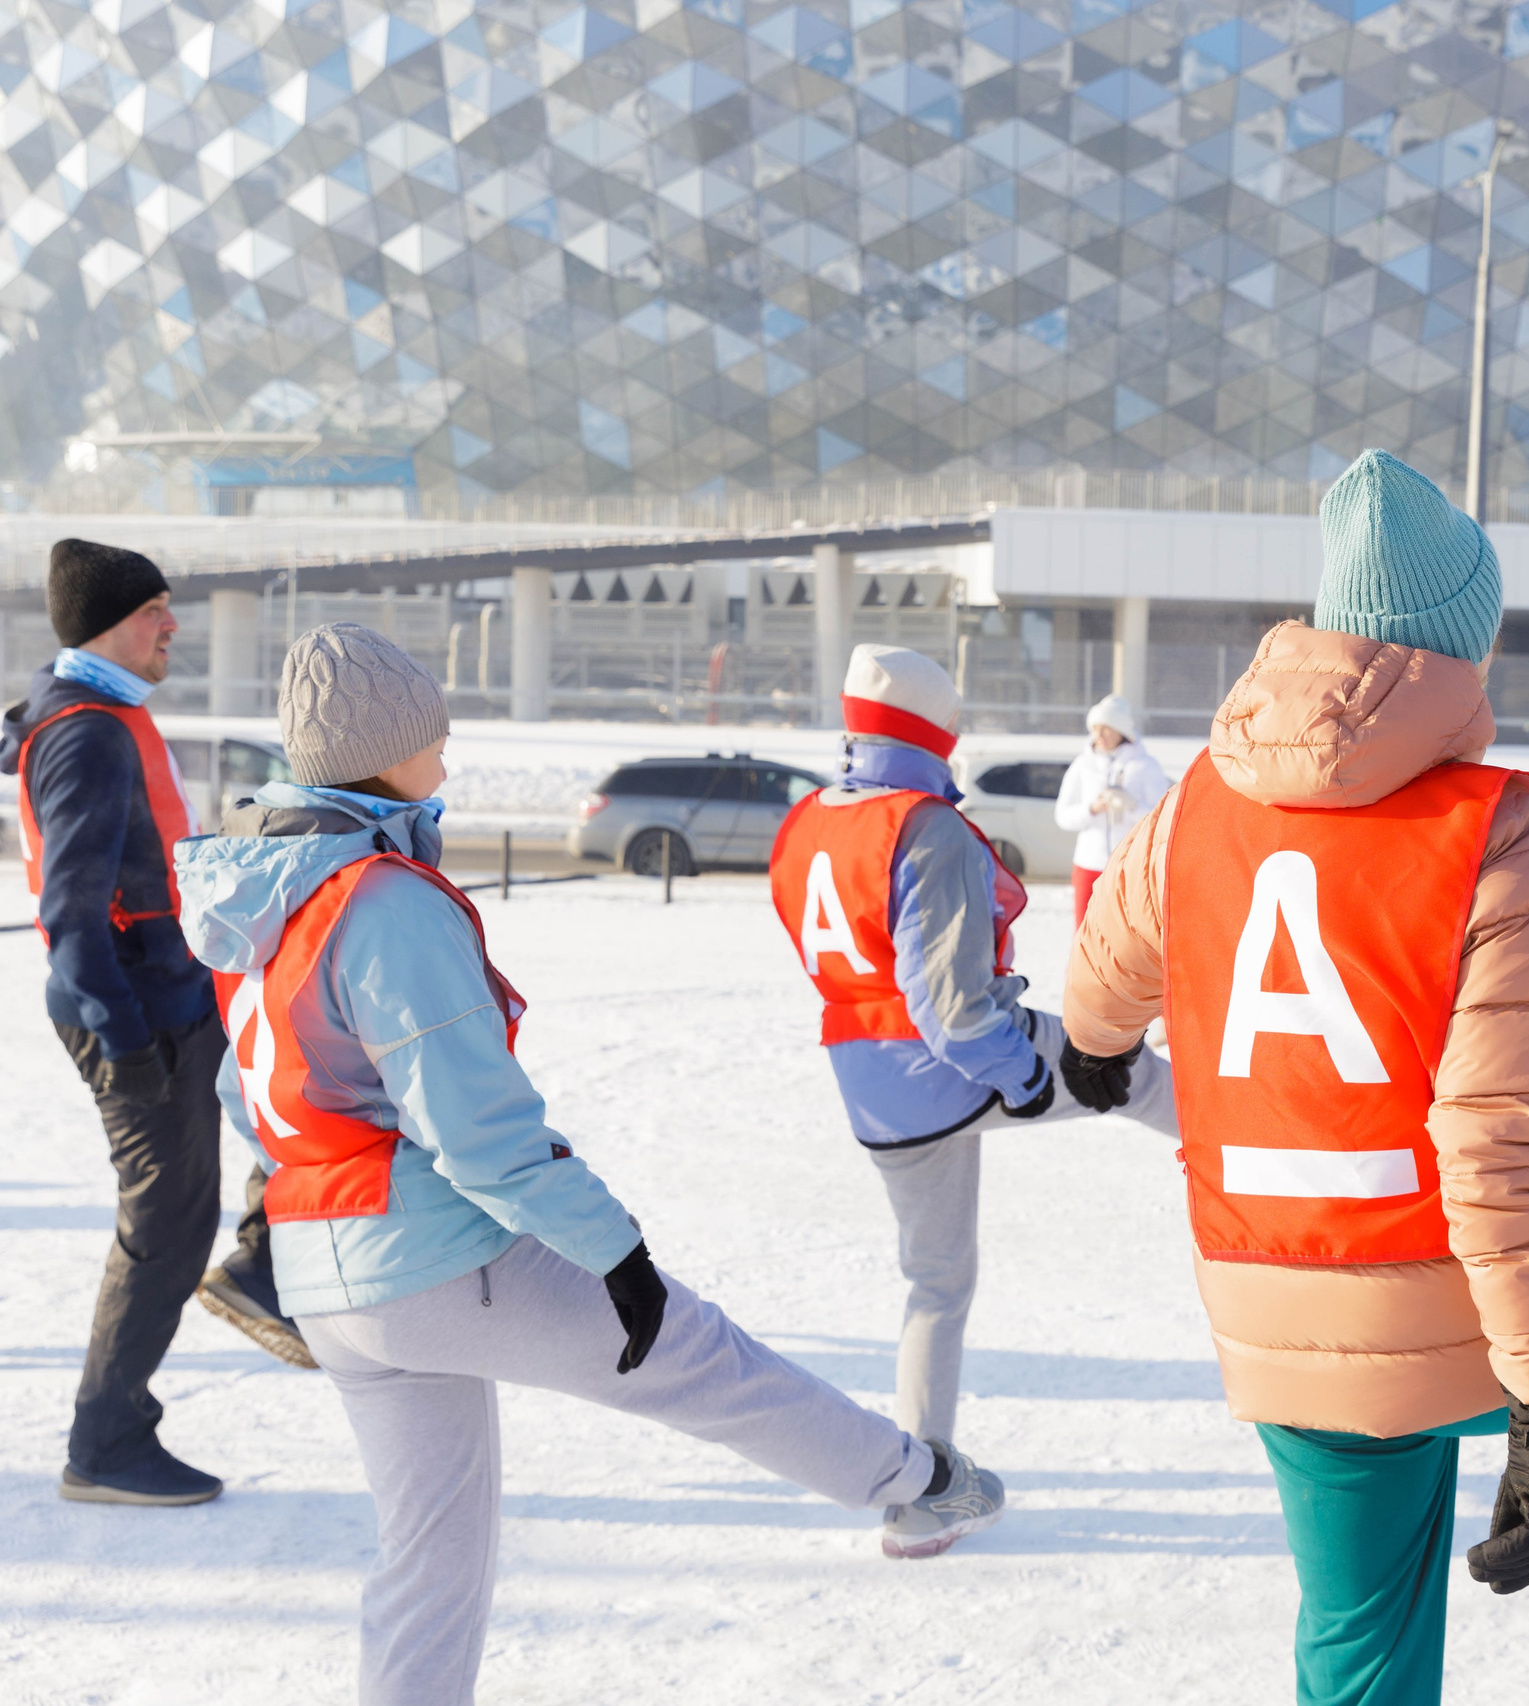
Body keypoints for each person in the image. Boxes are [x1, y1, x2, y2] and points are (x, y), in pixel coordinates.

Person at [1058, 450, 1529, 1706]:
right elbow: (1501, 1152)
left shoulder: (1196, 802)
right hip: (1469, 1297)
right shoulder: (1497, 832)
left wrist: (1095, 1050)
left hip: (1278, 1295)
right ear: (1462, 647)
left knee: (1358, 1642)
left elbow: (1105, 967)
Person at [176, 624, 996, 1701]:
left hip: (329, 1273)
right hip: (433, 1253)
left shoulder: (265, 901)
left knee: (431, 1559)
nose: (449, 759)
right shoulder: (381, 901)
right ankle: (914, 1477)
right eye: (436, 737)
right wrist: (617, 1252)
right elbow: (482, 1134)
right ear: (385, 751)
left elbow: (247, 1092)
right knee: (696, 1353)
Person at [769, 643, 1180, 1558]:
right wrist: (1031, 1077)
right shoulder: (926, 828)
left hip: (869, 1084)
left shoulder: (807, 820)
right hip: (949, 1062)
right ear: (933, 732)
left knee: (936, 1284)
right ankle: (1242, 1154)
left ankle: (923, 1498)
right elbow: (951, 1010)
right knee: (1124, 1064)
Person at [1, 539, 305, 1509]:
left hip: (170, 990)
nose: (173, 622)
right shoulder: (86, 733)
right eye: (154, 609)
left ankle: (261, 1266)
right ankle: (107, 1440)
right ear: (106, 623)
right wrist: (124, 1041)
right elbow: (69, 909)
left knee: (294, 1089)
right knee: (165, 1221)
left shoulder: (108, 713)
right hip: (135, 1007)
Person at [1053, 693, 1169, 926]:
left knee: (1124, 935)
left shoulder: (1146, 766)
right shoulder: (1082, 766)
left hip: (1130, 867)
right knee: (1084, 931)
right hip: (1088, 864)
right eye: (1095, 728)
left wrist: (1131, 806)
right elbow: (1062, 816)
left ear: (1122, 731)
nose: (1099, 735)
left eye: (1106, 729)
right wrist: (1092, 809)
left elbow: (1162, 819)